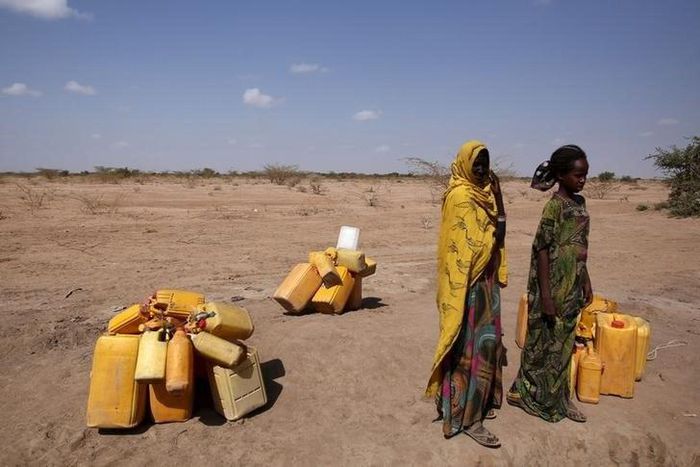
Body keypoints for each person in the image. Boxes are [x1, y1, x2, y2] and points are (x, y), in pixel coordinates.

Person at [425, 140, 508, 448]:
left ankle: (475, 405)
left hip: (486, 284)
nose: (482, 167)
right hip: (465, 286)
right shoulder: (459, 196)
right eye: (477, 162)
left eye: (486, 161)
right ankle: (464, 415)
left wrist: (499, 197)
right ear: (464, 163)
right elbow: (458, 249)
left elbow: (497, 238)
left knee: (486, 347)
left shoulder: (487, 195)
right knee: (464, 348)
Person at [508, 144, 592, 423]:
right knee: (541, 343)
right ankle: (525, 393)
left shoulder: (579, 205)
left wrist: (586, 280)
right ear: (561, 175)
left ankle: (559, 397)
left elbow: (579, 247)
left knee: (565, 345)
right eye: (578, 175)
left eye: (585, 175)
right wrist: (545, 295)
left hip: (572, 286)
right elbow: (542, 249)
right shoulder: (554, 207)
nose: (582, 180)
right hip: (551, 287)